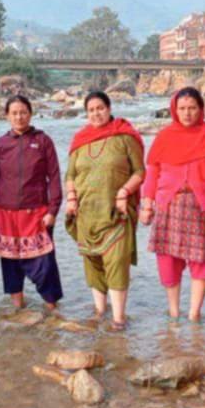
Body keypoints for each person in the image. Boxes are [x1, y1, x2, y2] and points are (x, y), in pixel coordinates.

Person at [65, 91, 145, 331]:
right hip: (86, 214)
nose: (96, 113)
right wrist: (71, 198)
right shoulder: (80, 140)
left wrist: (123, 192)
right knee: (93, 263)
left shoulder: (125, 137)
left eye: (100, 108)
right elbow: (70, 175)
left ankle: (119, 318)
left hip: (116, 212)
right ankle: (99, 311)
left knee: (117, 262)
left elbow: (140, 172)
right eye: (91, 110)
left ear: (109, 108)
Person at [140, 87, 205, 322]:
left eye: (192, 108)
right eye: (182, 108)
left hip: (201, 205)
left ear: (201, 109)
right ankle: (174, 312)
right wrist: (147, 204)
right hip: (169, 204)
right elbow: (153, 171)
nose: (187, 113)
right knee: (167, 260)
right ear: (174, 110)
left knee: (201, 260)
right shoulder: (165, 136)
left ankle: (195, 314)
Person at [0, 96, 64, 312]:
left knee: (44, 264)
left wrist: (53, 210)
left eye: (23, 112)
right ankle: (18, 310)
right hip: (5, 214)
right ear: (7, 116)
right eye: (14, 113)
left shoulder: (43, 141)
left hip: (37, 213)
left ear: (30, 114)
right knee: (10, 263)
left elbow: (55, 177)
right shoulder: (0, 145)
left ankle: (52, 309)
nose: (19, 117)